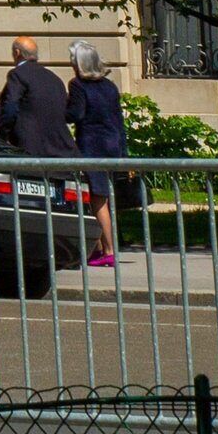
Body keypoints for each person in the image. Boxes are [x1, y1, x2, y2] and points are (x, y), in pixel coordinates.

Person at [68, 40, 130, 268]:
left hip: (91, 146)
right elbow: (118, 120)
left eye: (72, 60)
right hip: (112, 144)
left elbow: (75, 113)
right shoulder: (110, 86)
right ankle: (99, 247)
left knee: (97, 199)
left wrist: (57, 111)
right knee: (102, 197)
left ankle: (109, 250)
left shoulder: (77, 85)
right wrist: (123, 153)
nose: (71, 65)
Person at [0, 35, 73, 160]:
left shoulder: (18, 75)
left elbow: (10, 108)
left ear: (17, 52)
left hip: (30, 150)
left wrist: (1, 137)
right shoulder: (54, 78)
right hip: (60, 151)